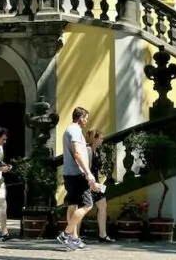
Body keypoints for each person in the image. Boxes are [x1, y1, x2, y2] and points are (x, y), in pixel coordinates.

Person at [58, 107, 96, 251]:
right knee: (87, 205)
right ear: (80, 117)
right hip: (76, 174)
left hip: (70, 173)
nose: (87, 120)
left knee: (73, 205)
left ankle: (74, 239)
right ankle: (66, 234)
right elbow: (77, 154)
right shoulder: (74, 130)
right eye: (86, 117)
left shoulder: (70, 130)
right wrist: (88, 173)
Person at [86, 129, 114, 243]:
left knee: (103, 206)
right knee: (83, 209)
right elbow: (86, 168)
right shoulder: (88, 150)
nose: (102, 140)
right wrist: (90, 183)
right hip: (89, 183)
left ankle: (102, 234)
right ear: (95, 138)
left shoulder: (96, 151)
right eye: (101, 138)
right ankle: (74, 235)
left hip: (96, 182)